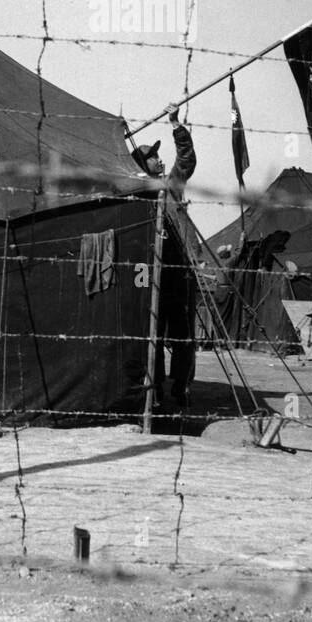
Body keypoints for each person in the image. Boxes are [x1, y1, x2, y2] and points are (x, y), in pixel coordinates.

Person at [130, 105, 198, 410]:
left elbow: (187, 159)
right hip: (151, 278)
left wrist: (176, 125)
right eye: (154, 157)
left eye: (159, 155)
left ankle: (180, 389)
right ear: (143, 165)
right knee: (152, 337)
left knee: (183, 338)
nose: (161, 159)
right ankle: (154, 393)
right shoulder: (136, 195)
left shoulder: (171, 187)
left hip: (178, 274)